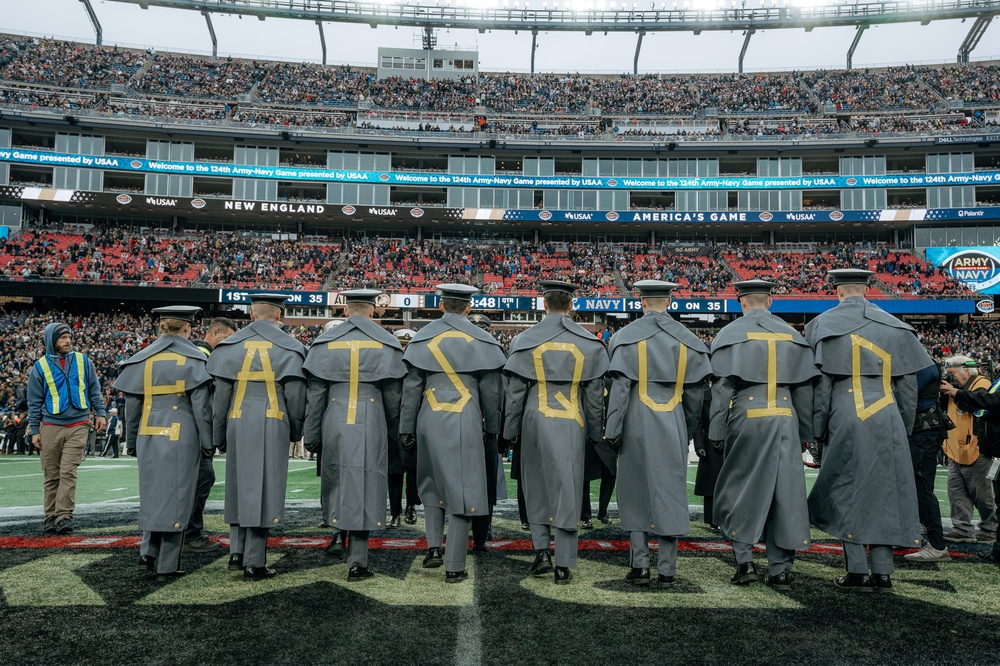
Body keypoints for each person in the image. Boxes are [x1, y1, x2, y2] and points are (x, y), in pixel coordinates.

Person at [806, 269, 934, 593]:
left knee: (846, 487)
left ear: (837, 292)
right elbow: (907, 387)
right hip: (888, 410)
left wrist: (818, 429)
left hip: (846, 409)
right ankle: (883, 572)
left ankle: (857, 571)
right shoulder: (895, 325)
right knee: (886, 490)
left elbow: (821, 387)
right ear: (867, 290)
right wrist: (901, 428)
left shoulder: (823, 324)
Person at [709, 280, 818, 591]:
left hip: (748, 414)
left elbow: (722, 389)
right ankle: (780, 569)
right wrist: (807, 433)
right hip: (786, 415)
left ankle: (744, 562)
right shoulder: (791, 334)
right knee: (786, 493)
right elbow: (805, 390)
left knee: (740, 487)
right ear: (769, 301)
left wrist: (716, 430)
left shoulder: (730, 334)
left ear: (742, 302)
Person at [604, 280, 712, 587]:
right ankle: (668, 568)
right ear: (670, 300)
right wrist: (686, 429)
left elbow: (621, 390)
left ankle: (639, 565)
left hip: (636, 417)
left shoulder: (626, 337)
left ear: (641, 301)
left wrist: (613, 430)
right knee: (670, 489)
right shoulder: (688, 340)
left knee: (634, 488)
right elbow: (695, 397)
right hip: (674, 416)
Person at [504, 280, 609, 585]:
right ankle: (564, 562)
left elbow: (515, 393)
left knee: (535, 484)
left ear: (544, 303)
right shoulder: (589, 343)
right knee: (569, 488)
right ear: (571, 305)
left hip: (536, 416)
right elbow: (593, 396)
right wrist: (593, 433)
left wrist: (509, 431)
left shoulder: (525, 339)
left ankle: (540, 552)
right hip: (572, 420)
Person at [399, 285, 506, 583]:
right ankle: (454, 565)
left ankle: (433, 548)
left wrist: (406, 428)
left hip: (427, 415)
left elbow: (411, 390)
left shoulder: (423, 336)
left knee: (430, 484)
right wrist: (492, 429)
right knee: (463, 490)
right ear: (468, 308)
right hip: (466, 415)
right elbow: (491, 394)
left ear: (442, 305)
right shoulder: (482, 339)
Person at [303, 289, 405, 581]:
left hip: (334, 413)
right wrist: (396, 431)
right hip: (371, 414)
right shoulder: (386, 342)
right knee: (368, 480)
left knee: (336, 476)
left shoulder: (325, 342)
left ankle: (337, 533)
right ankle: (358, 560)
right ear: (372, 311)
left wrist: (312, 432)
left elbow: (316, 394)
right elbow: (393, 397)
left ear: (345, 311)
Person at [208, 294, 307, 580]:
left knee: (238, 485)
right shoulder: (291, 347)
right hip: (272, 419)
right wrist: (296, 429)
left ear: (252, 315)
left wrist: (219, 434)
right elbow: (296, 396)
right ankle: (255, 560)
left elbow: (221, 397)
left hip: (236, 419)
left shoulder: (229, 345)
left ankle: (236, 552)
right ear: (279, 315)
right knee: (263, 489)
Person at [113, 306, 215, 582]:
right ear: (187, 328)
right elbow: (201, 409)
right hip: (182, 434)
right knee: (178, 496)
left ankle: (148, 550)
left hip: (147, 433)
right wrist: (209, 442)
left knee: (152, 492)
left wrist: (131, 441)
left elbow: (131, 408)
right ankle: (169, 563)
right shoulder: (194, 359)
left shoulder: (141, 359)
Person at [27, 321, 107, 534]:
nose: (68, 341)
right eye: (63, 338)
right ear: (51, 341)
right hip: (50, 425)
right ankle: (50, 516)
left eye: (69, 337)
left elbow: (94, 390)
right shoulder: (39, 367)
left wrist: (101, 413)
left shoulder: (83, 361)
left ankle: (64, 516)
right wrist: (35, 430)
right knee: (51, 474)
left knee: (68, 471)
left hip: (79, 424)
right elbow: (33, 402)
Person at [185, 316, 237, 553]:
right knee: (202, 477)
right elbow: (205, 402)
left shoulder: (193, 352)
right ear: (214, 332)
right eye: (226, 338)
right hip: (194, 429)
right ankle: (190, 533)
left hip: (182, 428)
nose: (229, 345)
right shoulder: (203, 357)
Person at [942, 368, 1000, 565]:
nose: (952, 377)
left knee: (982, 493)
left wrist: (956, 392)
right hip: (954, 447)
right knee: (955, 490)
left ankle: (990, 529)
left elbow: (979, 405)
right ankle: (962, 529)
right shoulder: (955, 387)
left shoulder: (981, 383)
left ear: (966, 370)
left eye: (954, 373)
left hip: (975, 448)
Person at [903, 361, 952, 562]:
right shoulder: (923, 362)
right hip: (919, 430)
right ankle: (911, 535)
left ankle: (937, 544)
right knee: (912, 486)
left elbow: (906, 393)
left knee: (922, 487)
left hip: (922, 430)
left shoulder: (922, 365)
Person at [467, 313, 505, 551]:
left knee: (483, 480)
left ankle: (481, 525)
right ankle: (482, 528)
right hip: (483, 425)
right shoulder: (495, 352)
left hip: (467, 423)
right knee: (486, 479)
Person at [388, 328, 421, 528]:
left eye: (407, 344)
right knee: (394, 471)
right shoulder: (389, 363)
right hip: (393, 423)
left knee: (413, 469)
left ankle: (411, 506)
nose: (404, 348)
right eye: (401, 344)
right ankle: (394, 512)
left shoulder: (419, 364)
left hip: (413, 423)